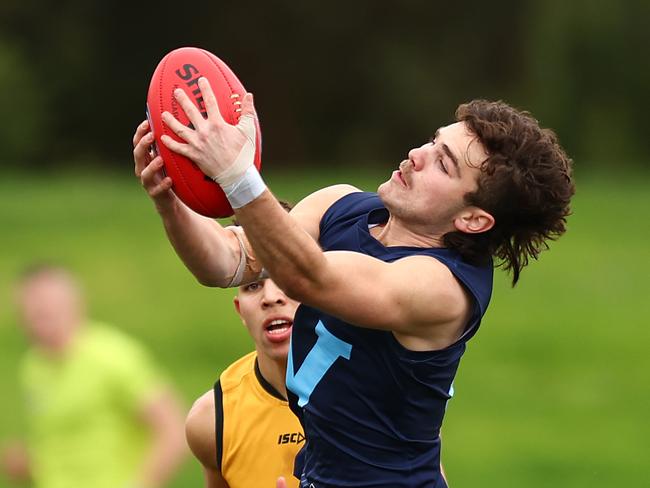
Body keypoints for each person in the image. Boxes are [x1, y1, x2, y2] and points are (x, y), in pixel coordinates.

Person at [132, 79, 574, 487]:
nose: (417, 155)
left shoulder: (443, 288)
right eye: (433, 141)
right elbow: (227, 263)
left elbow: (309, 277)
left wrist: (238, 174)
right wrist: (169, 197)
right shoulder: (340, 205)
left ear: (473, 219)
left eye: (443, 163)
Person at [1, 264, 187, 488]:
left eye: (47, 310)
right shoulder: (33, 366)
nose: (38, 321)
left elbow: (172, 429)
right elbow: (66, 443)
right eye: (31, 313)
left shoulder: (112, 357)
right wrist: (31, 463)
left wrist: (140, 484)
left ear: (76, 304)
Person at [185, 274, 304, 488]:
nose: (270, 297)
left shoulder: (374, 387)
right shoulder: (212, 421)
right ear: (240, 310)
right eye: (253, 285)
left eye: (284, 273)